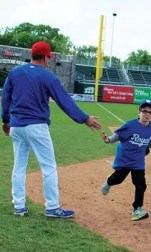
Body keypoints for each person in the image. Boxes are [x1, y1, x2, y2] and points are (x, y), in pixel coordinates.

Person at [1, 41, 102, 218]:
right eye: (49, 57)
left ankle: (19, 206)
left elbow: (6, 98)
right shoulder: (48, 77)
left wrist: (6, 121)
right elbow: (64, 101)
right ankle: (52, 208)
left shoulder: (15, 73)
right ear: (46, 57)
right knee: (48, 167)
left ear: (31, 55)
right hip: (36, 126)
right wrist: (85, 119)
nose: (49, 60)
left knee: (19, 166)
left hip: (17, 126)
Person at [100, 100, 151, 221]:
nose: (147, 114)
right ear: (139, 112)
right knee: (117, 180)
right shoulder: (131, 125)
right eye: (144, 111)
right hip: (125, 158)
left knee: (141, 185)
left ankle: (137, 210)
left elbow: (149, 140)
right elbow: (118, 135)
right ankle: (109, 181)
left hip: (138, 162)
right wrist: (108, 140)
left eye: (150, 112)